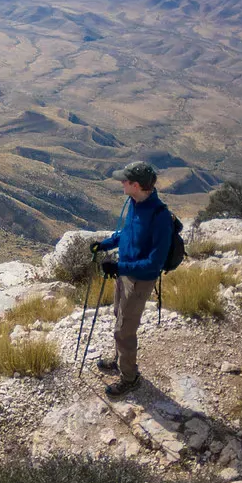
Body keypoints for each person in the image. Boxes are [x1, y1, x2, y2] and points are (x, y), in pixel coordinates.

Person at [89, 161, 173, 397]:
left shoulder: (160, 216)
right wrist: (105, 244)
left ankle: (129, 377)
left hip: (139, 280)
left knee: (124, 330)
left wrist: (120, 266)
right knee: (119, 316)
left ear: (135, 185)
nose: (121, 183)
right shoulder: (136, 203)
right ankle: (119, 360)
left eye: (125, 180)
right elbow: (127, 234)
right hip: (125, 274)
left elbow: (155, 263)